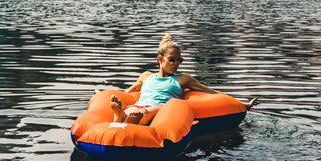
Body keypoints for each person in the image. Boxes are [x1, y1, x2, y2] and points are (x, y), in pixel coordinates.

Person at [111, 33, 258, 125]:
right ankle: (121, 115)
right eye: (172, 60)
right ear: (160, 60)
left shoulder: (182, 79)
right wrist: (107, 97)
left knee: (146, 113)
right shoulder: (146, 76)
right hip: (139, 105)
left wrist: (243, 104)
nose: (176, 64)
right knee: (131, 110)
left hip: (161, 109)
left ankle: (126, 118)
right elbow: (126, 94)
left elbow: (210, 92)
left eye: (179, 60)